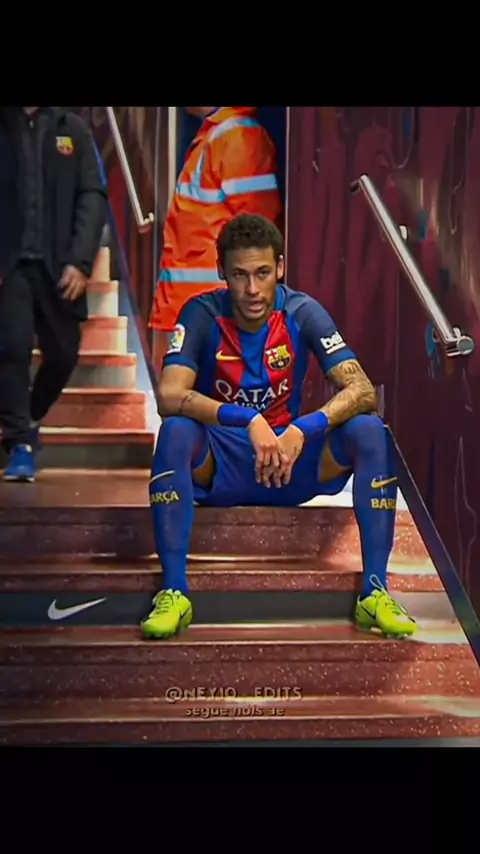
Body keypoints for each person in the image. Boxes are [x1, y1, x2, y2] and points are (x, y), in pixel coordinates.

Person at [142, 213, 417, 641]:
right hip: (224, 464)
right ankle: (174, 592)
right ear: (221, 272)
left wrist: (303, 428)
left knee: (369, 431)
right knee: (175, 431)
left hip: (290, 463)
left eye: (263, 273)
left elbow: (362, 389)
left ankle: (375, 593)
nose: (252, 289)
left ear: (281, 267)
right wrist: (248, 418)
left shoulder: (302, 312)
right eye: (240, 275)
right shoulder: (201, 314)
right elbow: (169, 396)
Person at [0, 106, 107, 482]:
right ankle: (19, 444)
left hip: (61, 265)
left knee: (64, 352)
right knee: (11, 348)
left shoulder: (72, 129)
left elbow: (92, 196)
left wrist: (81, 261)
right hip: (9, 265)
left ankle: (25, 419)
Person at [149, 106, 283, 373]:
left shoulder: (238, 138)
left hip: (216, 316)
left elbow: (258, 237)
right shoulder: (221, 135)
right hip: (198, 312)